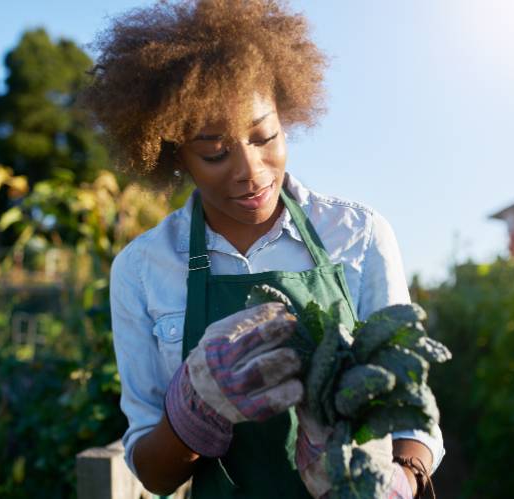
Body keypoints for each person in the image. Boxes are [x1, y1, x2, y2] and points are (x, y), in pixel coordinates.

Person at [82, 1, 445, 497]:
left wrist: (398, 482)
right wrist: (195, 411)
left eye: (264, 136)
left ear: (286, 116)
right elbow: (154, 473)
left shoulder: (358, 235)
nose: (251, 171)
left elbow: (411, 411)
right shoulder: (142, 269)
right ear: (173, 151)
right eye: (214, 153)